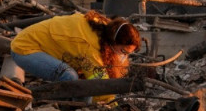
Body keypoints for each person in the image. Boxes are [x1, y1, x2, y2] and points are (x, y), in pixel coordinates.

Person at [10, 11, 140, 82]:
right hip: (24, 48)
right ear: (113, 41)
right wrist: (112, 102)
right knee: (69, 76)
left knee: (83, 75)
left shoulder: (105, 27)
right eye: (123, 51)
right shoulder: (88, 45)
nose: (124, 55)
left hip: (38, 42)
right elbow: (99, 83)